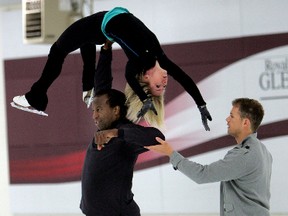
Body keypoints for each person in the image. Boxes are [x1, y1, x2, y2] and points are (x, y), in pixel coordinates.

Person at [12, 7, 212, 131]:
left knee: (57, 51)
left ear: (146, 78)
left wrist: (145, 99)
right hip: (103, 26)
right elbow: (185, 78)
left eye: (158, 85)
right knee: (86, 45)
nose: (166, 80)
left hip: (101, 26)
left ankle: (35, 99)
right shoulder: (161, 59)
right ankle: (87, 87)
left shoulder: (137, 64)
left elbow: (130, 78)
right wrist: (201, 105)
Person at [146, 98, 272, 216]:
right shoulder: (263, 151)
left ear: (245, 122)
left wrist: (171, 153)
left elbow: (202, 174)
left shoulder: (245, 154)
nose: (227, 119)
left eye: (232, 116)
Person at [80, 43, 165, 216]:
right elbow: (102, 85)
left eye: (98, 110)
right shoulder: (106, 124)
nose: (94, 116)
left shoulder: (124, 133)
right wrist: (106, 50)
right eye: (93, 110)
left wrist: (116, 133)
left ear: (116, 110)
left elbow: (158, 137)